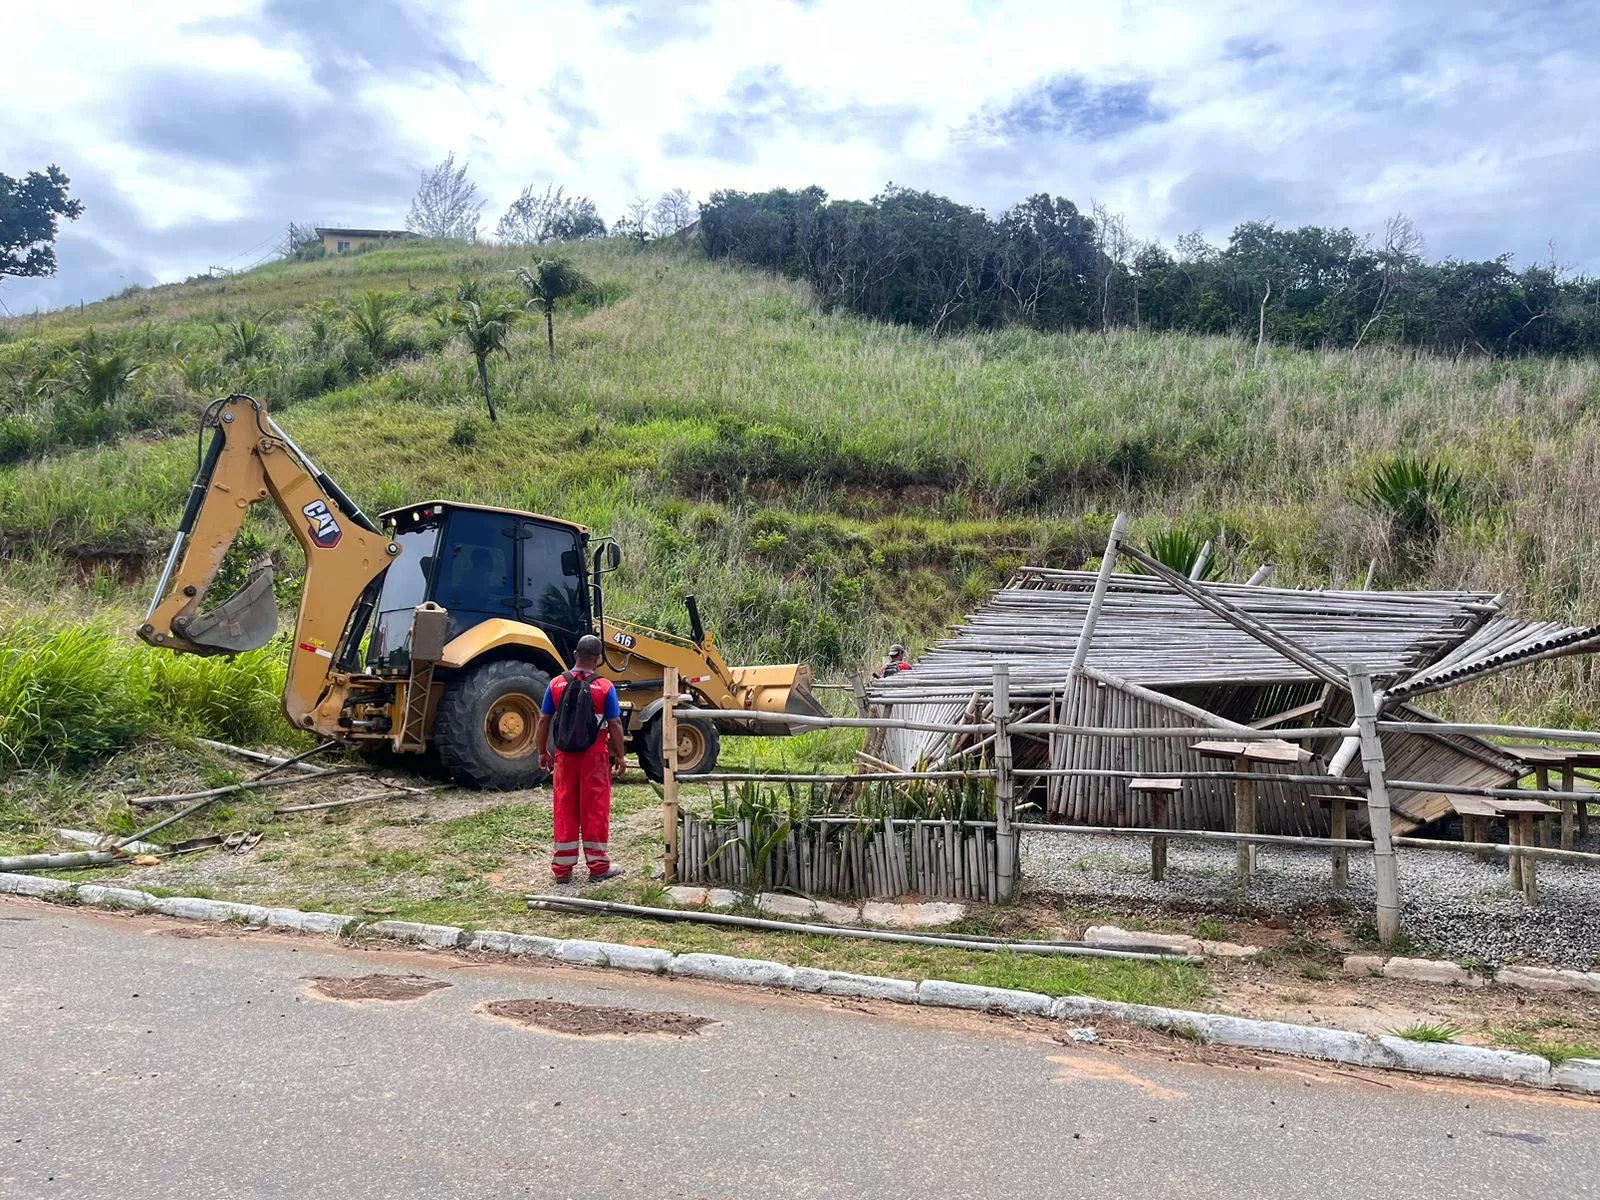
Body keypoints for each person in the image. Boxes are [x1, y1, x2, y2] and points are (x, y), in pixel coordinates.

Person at [534, 634, 626, 884]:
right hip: (594, 757)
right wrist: (620, 756)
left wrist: (542, 751)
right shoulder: (605, 687)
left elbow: (544, 720)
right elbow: (615, 723)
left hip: (564, 758)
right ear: (598, 659)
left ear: (575, 655)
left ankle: (562, 870)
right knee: (594, 808)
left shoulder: (555, 684)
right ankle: (598, 867)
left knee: (565, 808)